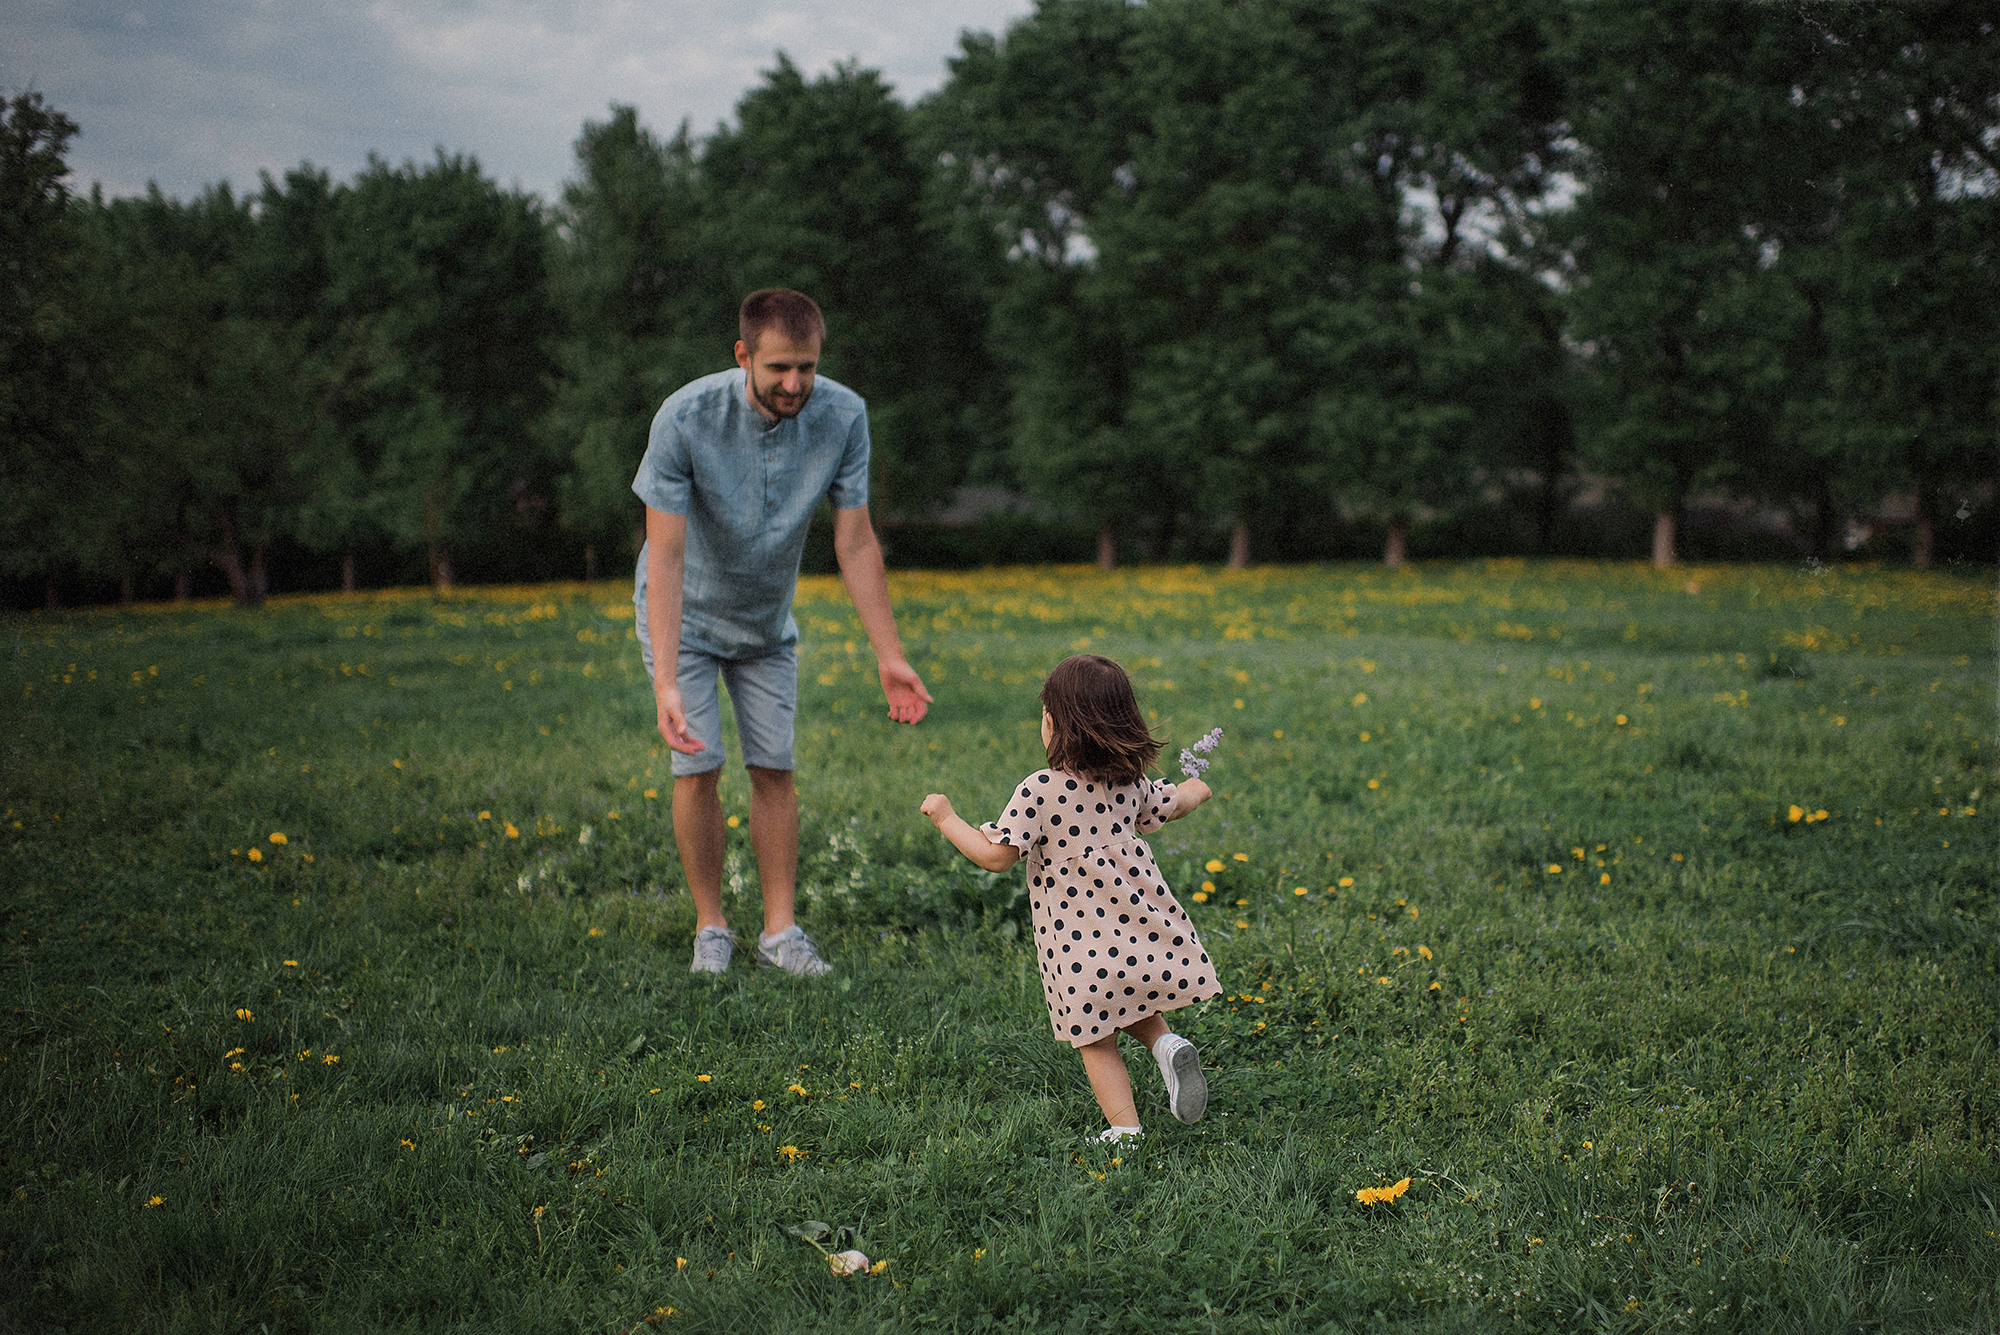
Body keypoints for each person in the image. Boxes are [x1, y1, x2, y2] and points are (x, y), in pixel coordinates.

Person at [634, 288, 931, 977]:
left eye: (807, 367)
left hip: (768, 624)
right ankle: (711, 926)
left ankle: (780, 932)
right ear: (744, 356)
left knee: (775, 767)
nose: (795, 383)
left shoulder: (844, 414)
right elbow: (667, 556)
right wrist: (668, 678)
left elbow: (855, 542)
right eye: (778, 369)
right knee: (697, 766)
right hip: (689, 615)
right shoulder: (684, 417)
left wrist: (890, 655)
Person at [920, 654, 1219, 1142]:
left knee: (1097, 1039)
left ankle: (1125, 1132)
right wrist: (1198, 790)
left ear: (1056, 725)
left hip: (1079, 942)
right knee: (1132, 999)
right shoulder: (1128, 782)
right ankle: (1166, 1045)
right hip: (1136, 928)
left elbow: (996, 856)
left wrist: (946, 818)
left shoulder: (1041, 790)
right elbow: (1173, 803)